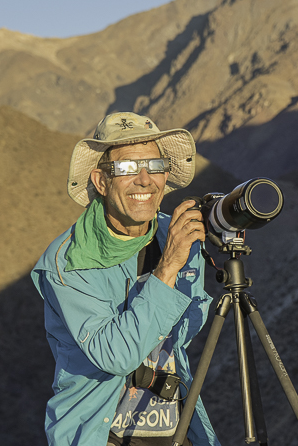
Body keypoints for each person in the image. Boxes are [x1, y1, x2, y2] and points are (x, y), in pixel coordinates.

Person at [30, 112, 220, 446]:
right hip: (102, 434)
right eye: (127, 168)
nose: (145, 180)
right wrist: (167, 269)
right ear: (101, 182)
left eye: (155, 166)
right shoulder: (69, 261)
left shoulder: (175, 236)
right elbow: (115, 356)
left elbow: (186, 331)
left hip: (176, 429)